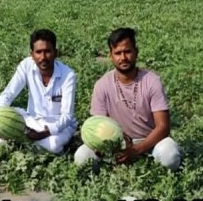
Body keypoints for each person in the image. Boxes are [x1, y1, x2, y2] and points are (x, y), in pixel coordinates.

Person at [74, 27, 181, 170]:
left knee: (170, 156)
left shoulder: (151, 81)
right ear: (111, 56)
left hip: (149, 141)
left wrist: (136, 149)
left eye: (127, 51)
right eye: (118, 53)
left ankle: (148, 162)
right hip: (116, 144)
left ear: (136, 52)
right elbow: (98, 126)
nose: (123, 57)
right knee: (82, 157)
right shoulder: (102, 85)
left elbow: (163, 127)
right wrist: (106, 147)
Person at [0, 29, 77, 154]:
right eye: (38, 52)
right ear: (32, 54)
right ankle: (26, 141)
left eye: (47, 51)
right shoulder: (26, 65)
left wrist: (44, 133)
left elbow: (67, 116)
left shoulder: (68, 75)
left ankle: (21, 142)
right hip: (32, 121)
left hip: (58, 126)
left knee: (53, 145)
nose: (43, 57)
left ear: (55, 53)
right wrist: (0, 119)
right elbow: (8, 94)